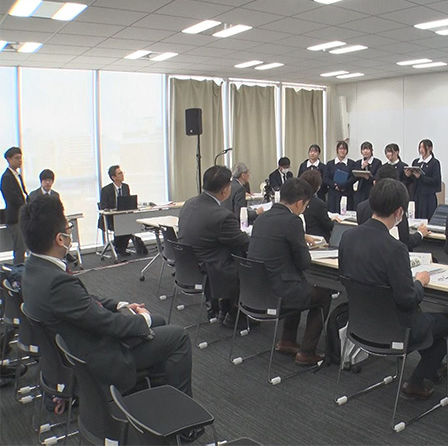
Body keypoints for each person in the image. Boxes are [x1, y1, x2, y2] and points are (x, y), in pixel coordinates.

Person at [19, 195, 202, 440]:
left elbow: (81, 300)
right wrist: (142, 320)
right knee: (177, 336)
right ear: (60, 239)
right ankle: (184, 424)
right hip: (97, 358)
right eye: (68, 228)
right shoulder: (56, 283)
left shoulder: (34, 269)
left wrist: (120, 305)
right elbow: (107, 324)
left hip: (74, 348)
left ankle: (154, 397)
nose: (70, 232)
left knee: (157, 323)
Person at [339, 178, 448, 399]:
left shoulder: (347, 237)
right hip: (395, 330)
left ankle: (432, 366)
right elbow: (408, 300)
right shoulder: (395, 248)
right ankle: (416, 381)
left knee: (428, 325)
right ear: (399, 212)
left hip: (360, 325)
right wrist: (420, 282)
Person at [248, 178, 332, 365]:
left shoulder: (262, 218)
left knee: (296, 282)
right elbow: (304, 263)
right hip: (278, 294)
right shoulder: (292, 221)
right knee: (323, 295)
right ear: (300, 203)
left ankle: (287, 341)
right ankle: (306, 352)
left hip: (257, 291)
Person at [178, 165, 250, 326]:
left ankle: (223, 308)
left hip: (189, 266)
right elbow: (243, 242)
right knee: (248, 261)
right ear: (225, 190)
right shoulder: (222, 216)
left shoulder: (189, 204)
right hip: (211, 268)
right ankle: (235, 314)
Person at [355, 164, 429, 252]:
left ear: (375, 183)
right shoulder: (396, 208)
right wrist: (420, 234)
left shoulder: (361, 207)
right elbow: (405, 242)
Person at [98, 165, 148, 257]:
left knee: (130, 222)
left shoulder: (125, 187)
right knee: (123, 224)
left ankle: (120, 247)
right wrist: (115, 210)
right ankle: (119, 247)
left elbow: (127, 203)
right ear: (113, 177)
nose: (122, 175)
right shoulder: (106, 190)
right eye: (119, 173)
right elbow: (104, 207)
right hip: (111, 218)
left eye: (122, 173)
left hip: (124, 217)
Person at [1, 147, 28, 264]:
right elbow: (13, 199)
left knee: (26, 246)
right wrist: (26, 207)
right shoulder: (6, 178)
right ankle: (18, 271)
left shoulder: (18, 175)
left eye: (20, 158)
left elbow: (24, 194)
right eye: (16, 158)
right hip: (15, 218)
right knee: (20, 247)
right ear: (9, 159)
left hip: (23, 216)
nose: (19, 161)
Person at [405, 139, 441, 220]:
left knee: (427, 217)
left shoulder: (434, 163)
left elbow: (436, 180)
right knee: (415, 217)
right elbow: (412, 180)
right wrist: (408, 175)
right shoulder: (416, 162)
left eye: (424, 148)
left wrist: (421, 177)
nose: (421, 150)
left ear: (430, 148)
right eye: (420, 148)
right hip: (416, 195)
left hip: (428, 196)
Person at [298, 169, 336, 242]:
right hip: (319, 239)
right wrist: (335, 222)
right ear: (318, 187)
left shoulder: (296, 200)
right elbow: (327, 224)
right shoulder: (318, 204)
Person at [323, 140, 356, 213]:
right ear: (337, 150)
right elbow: (325, 178)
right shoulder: (330, 164)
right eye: (340, 148)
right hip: (333, 194)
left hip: (347, 193)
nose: (342, 151)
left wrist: (344, 185)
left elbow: (354, 177)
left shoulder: (352, 164)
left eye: (344, 149)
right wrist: (335, 185)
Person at [352, 141, 382, 206]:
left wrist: (368, 177)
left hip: (372, 189)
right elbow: (354, 177)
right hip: (361, 189)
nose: (365, 151)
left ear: (371, 150)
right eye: (363, 149)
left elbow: (377, 177)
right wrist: (362, 167)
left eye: (367, 149)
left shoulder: (377, 162)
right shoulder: (358, 163)